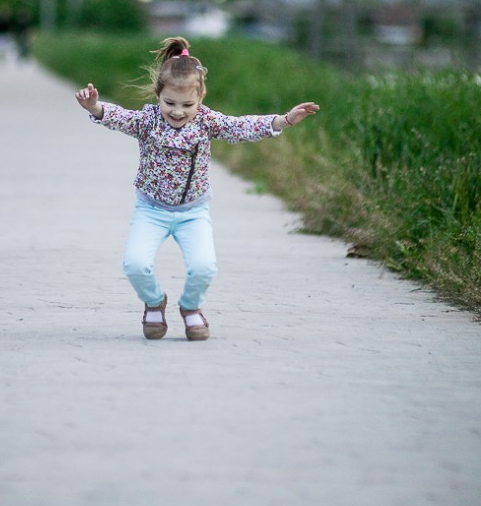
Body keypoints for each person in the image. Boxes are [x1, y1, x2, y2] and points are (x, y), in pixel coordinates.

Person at [75, 37, 319, 342]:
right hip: (151, 210)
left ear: (200, 98)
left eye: (187, 105)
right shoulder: (148, 121)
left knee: (204, 267)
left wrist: (283, 121)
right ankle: (154, 301)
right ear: (158, 95)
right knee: (135, 264)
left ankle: (191, 307)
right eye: (170, 103)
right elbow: (120, 117)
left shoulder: (207, 122)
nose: (178, 112)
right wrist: (95, 107)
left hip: (192, 212)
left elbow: (240, 127)